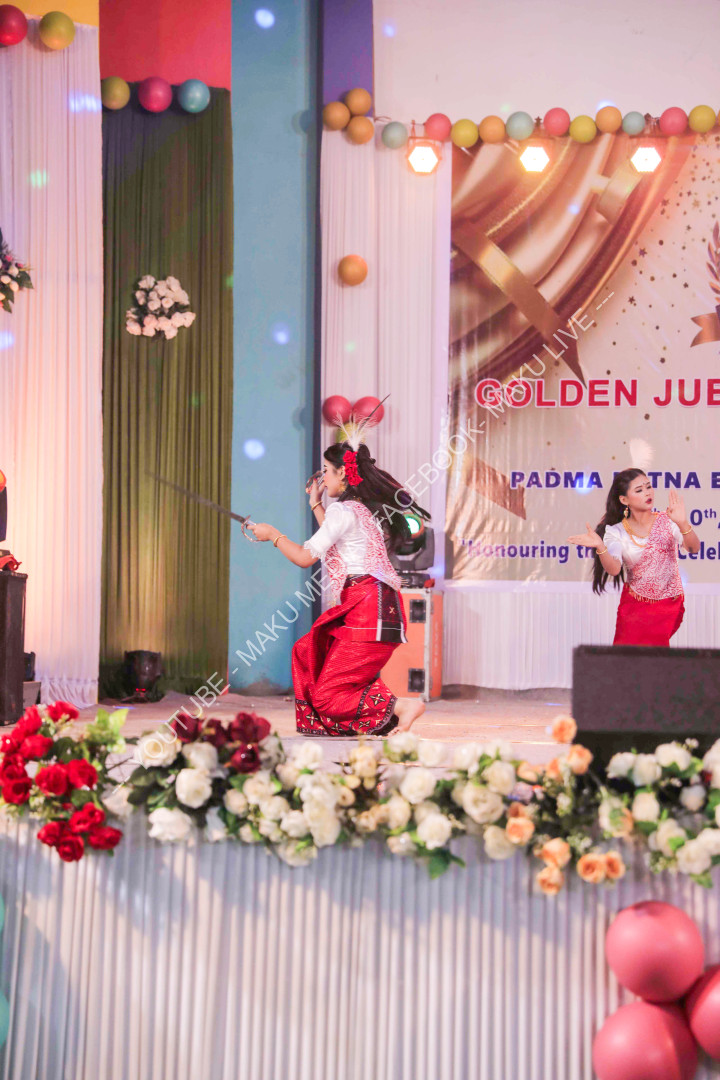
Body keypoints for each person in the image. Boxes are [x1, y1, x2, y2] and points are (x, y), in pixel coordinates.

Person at [248, 439, 430, 736]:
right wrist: (316, 503)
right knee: (307, 652)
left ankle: (400, 706)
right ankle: (386, 716)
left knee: (326, 697)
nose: (323, 478)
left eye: (326, 470)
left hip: (366, 609)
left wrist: (273, 535)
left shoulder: (344, 511)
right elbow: (333, 538)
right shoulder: (359, 510)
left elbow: (305, 557)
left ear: (342, 473)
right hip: (379, 608)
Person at [568, 469, 700, 646]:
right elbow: (614, 569)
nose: (647, 492)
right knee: (627, 659)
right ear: (624, 500)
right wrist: (600, 547)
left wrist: (682, 523)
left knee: (655, 657)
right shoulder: (616, 531)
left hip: (668, 605)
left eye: (648, 487)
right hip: (634, 608)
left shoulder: (668, 521)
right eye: (639, 490)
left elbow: (693, 548)